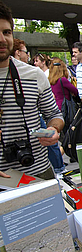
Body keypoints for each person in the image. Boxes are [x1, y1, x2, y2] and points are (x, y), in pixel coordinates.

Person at [0, 1, 64, 179]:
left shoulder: (34, 74)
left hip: (39, 171)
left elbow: (55, 115)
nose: (2, 39)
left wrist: (53, 129)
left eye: (6, 32)